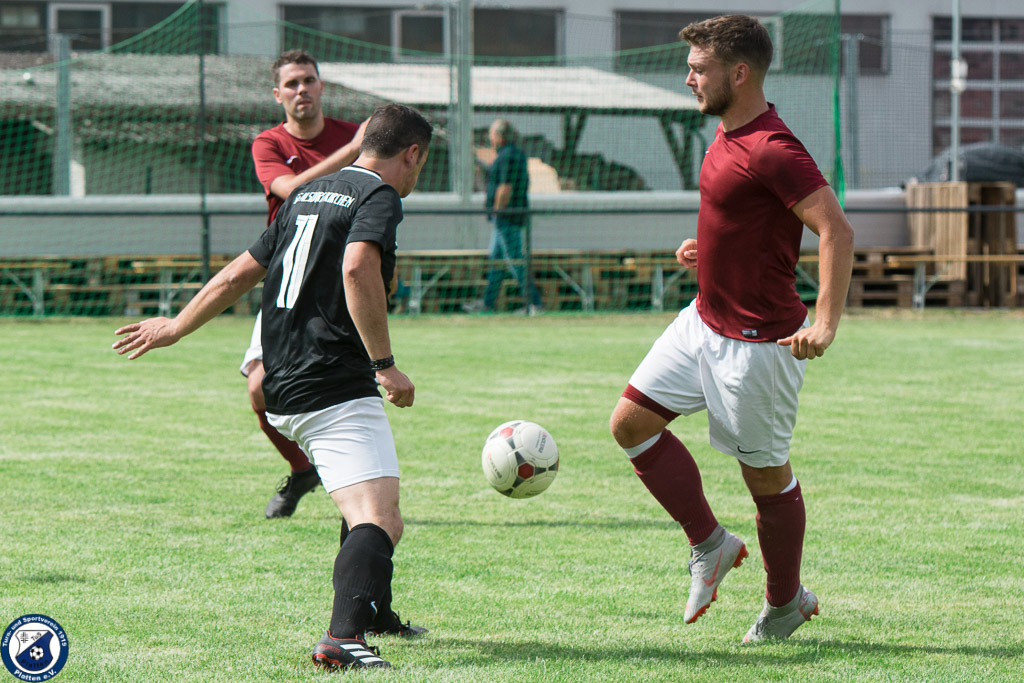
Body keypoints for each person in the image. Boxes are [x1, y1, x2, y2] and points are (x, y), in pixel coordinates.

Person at [113, 103, 433, 669]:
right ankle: (342, 638)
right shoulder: (378, 195)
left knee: (362, 492)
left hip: (281, 375)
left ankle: (375, 612)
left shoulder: (307, 193)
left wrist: (176, 326)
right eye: (421, 164)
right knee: (380, 518)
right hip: (330, 381)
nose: (417, 175)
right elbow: (357, 268)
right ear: (411, 154)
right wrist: (384, 364)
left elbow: (239, 272)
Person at [608, 15, 853, 644]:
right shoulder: (725, 132)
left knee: (765, 478)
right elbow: (750, 218)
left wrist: (825, 322)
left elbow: (836, 229)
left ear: (739, 73)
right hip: (703, 320)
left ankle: (784, 603)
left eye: (699, 68)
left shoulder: (773, 147)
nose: (688, 78)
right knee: (630, 425)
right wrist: (710, 250)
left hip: (759, 346)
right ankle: (710, 544)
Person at [247, 49, 367, 519]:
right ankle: (303, 470)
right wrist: (352, 152)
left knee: (349, 391)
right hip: (288, 281)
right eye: (292, 83)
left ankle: (360, 489)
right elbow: (294, 190)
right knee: (259, 389)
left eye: (309, 80)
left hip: (342, 284)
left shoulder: (351, 134)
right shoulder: (269, 143)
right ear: (277, 94)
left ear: (322, 87)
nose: (302, 89)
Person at [462, 119, 543, 315]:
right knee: (496, 261)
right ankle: (488, 304)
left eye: (492, 135)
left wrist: (497, 212)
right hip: (506, 218)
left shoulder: (508, 157)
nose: (490, 139)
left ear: (499, 136)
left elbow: (505, 187)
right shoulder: (512, 155)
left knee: (514, 260)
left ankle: (534, 303)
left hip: (506, 218)